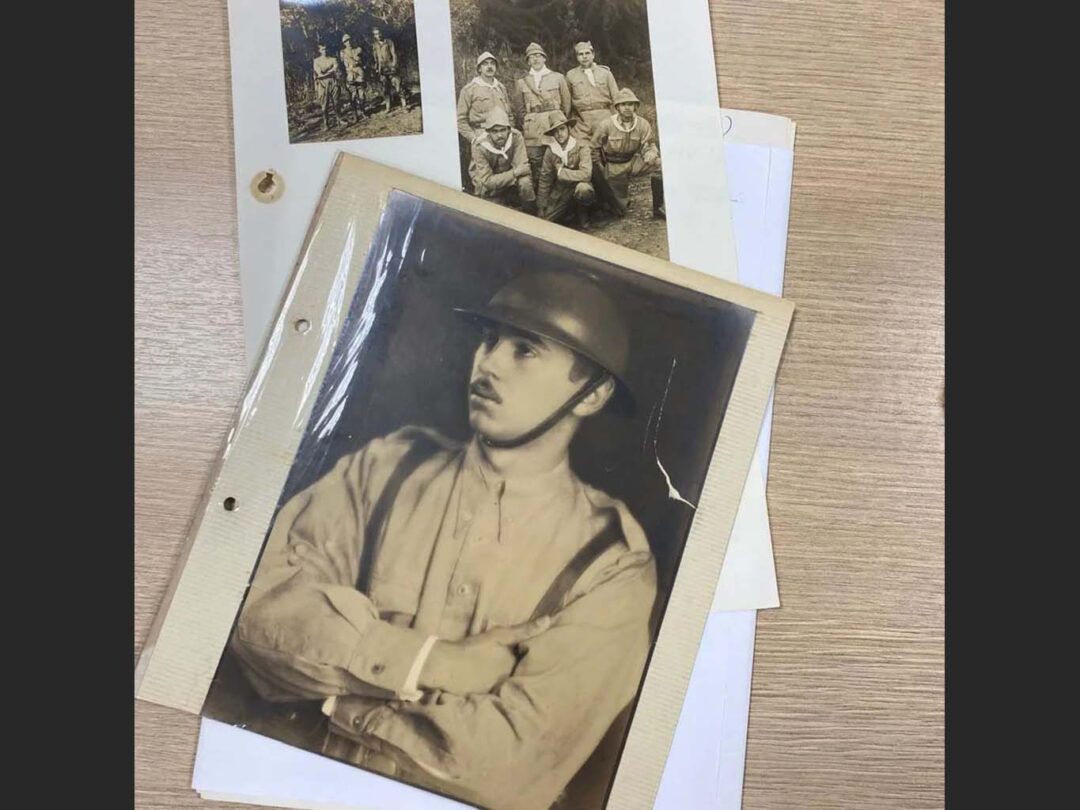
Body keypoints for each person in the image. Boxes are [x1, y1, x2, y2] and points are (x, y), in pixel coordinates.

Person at [229, 271, 658, 810]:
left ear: (591, 394)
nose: (488, 363)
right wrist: (433, 664)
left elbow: (506, 770)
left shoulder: (611, 560)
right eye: (488, 339)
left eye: (525, 350)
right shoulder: (386, 467)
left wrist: (335, 702)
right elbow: (253, 617)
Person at [590, 88, 663, 218]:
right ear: (617, 107)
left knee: (660, 165)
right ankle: (617, 202)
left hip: (633, 161)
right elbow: (593, 148)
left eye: (630, 104)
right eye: (623, 104)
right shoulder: (606, 124)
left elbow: (648, 144)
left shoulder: (642, 124)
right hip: (613, 166)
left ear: (635, 106)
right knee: (619, 211)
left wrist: (650, 153)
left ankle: (660, 207)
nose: (627, 108)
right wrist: (601, 169)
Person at [512, 42, 571, 191]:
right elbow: (519, 110)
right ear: (528, 61)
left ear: (544, 58)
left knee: (559, 159)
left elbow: (567, 105)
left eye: (538, 55)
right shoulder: (521, 83)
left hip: (555, 127)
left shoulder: (558, 78)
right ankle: (542, 199)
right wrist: (529, 122)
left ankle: (560, 196)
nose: (535, 59)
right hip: (532, 130)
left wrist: (559, 121)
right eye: (531, 57)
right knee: (536, 163)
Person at [456, 51, 514, 192]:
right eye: (485, 64)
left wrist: (510, 133)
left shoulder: (501, 88)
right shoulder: (469, 90)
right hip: (482, 136)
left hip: (502, 136)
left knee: (503, 174)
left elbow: (510, 115)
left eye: (492, 63)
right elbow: (461, 120)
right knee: (481, 178)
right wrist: (474, 138)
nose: (489, 67)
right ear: (479, 68)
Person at [468, 108, 537, 214]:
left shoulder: (516, 136)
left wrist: (517, 172)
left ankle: (531, 213)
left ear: (508, 129)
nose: (499, 135)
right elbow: (487, 181)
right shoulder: (479, 146)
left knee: (525, 182)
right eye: (494, 131)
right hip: (490, 187)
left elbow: (524, 168)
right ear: (488, 132)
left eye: (502, 130)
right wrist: (515, 172)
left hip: (510, 182)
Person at [538, 110, 595, 230]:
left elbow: (586, 174)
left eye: (562, 129)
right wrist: (541, 206)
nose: (559, 134)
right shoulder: (551, 151)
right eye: (555, 131)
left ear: (569, 129)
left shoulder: (581, 146)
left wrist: (561, 172)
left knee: (583, 189)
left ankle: (583, 214)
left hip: (579, 185)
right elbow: (545, 178)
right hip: (561, 191)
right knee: (544, 222)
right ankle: (568, 213)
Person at [565, 41, 620, 145]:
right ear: (577, 57)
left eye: (587, 53)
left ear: (593, 55)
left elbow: (616, 98)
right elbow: (567, 102)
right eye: (581, 54)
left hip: (604, 117)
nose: (584, 57)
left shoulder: (606, 73)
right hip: (582, 121)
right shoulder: (571, 75)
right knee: (583, 150)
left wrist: (618, 119)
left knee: (607, 149)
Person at [371, 27, 406, 113]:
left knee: (398, 86)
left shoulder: (389, 42)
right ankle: (388, 107)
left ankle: (404, 106)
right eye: (375, 34)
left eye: (378, 33)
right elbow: (375, 58)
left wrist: (394, 65)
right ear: (374, 36)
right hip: (382, 69)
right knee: (385, 89)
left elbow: (394, 54)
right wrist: (376, 68)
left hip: (391, 67)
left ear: (381, 33)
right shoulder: (375, 45)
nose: (378, 35)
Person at [312, 43, 341, 131]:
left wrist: (327, 72)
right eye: (322, 49)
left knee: (336, 102)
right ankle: (326, 123)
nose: (325, 51)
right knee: (324, 105)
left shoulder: (333, 59)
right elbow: (319, 72)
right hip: (322, 84)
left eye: (325, 49)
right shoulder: (316, 61)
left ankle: (339, 119)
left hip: (333, 81)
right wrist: (329, 70)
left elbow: (335, 68)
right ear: (319, 51)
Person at [339, 33, 366, 124]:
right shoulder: (342, 53)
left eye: (349, 40)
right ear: (344, 43)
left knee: (362, 95)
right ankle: (355, 115)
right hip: (350, 75)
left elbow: (363, 61)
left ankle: (363, 112)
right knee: (353, 96)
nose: (348, 42)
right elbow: (343, 66)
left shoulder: (358, 50)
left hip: (359, 73)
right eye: (346, 41)